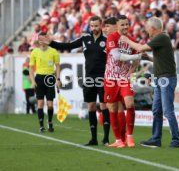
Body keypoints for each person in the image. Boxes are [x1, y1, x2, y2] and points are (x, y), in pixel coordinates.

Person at [39, 16, 110, 146]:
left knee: (104, 105)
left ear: (101, 26)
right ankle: (93, 138)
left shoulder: (107, 40)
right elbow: (68, 45)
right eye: (92, 26)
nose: (94, 28)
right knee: (91, 106)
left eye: (96, 26)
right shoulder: (84, 39)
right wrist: (52, 43)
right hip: (89, 77)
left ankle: (105, 138)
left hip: (103, 77)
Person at [120, 17, 179, 148]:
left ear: (153, 29)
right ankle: (156, 139)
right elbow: (163, 60)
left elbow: (141, 48)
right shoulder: (162, 39)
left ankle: (176, 139)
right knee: (157, 109)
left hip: (166, 79)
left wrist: (126, 40)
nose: (146, 30)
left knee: (167, 110)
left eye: (148, 28)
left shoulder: (161, 37)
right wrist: (149, 58)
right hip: (160, 78)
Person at [104, 15, 142, 148]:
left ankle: (129, 137)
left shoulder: (131, 40)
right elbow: (117, 56)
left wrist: (130, 72)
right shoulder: (112, 37)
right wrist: (136, 56)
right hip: (110, 78)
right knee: (113, 108)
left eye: (127, 24)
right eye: (122, 25)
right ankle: (118, 140)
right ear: (117, 26)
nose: (125, 27)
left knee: (130, 104)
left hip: (124, 79)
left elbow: (138, 60)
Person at [29, 32, 61, 133]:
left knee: (50, 104)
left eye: (44, 39)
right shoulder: (34, 52)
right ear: (38, 41)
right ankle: (41, 125)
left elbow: (58, 66)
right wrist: (33, 81)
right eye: (40, 39)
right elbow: (30, 68)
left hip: (50, 78)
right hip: (39, 78)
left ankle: (50, 122)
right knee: (40, 103)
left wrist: (58, 79)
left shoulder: (54, 52)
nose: (42, 41)